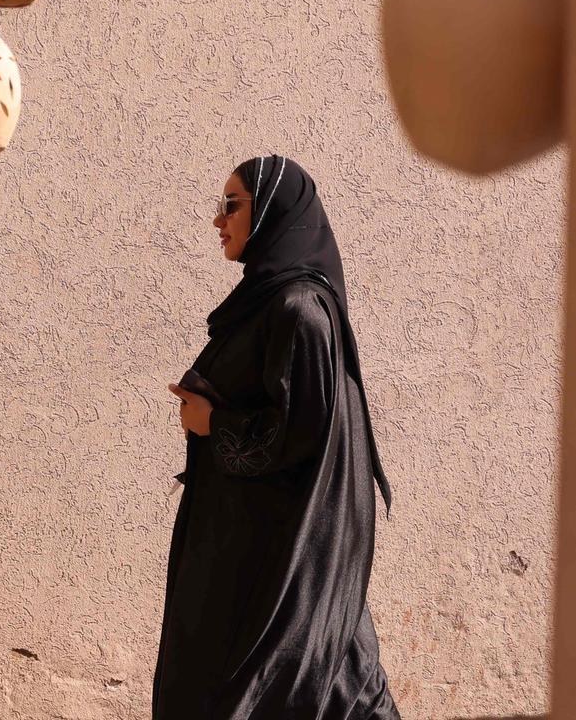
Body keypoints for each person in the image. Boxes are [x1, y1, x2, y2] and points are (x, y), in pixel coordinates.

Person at [153, 156, 399, 720]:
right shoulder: (265, 304)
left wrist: (213, 425)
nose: (219, 220)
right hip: (250, 549)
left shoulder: (300, 311)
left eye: (232, 205)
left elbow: (302, 436)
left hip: (283, 556)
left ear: (272, 213)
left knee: (300, 686)